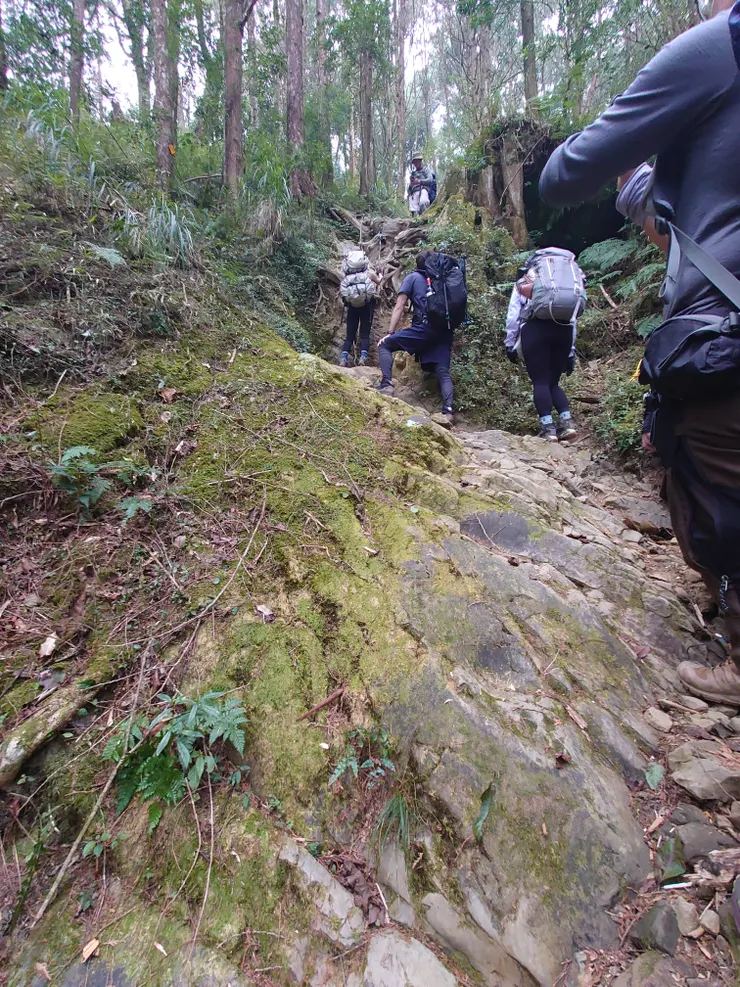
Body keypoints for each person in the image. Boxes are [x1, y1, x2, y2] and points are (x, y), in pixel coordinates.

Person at [539, 0, 740, 703]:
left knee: (707, 481)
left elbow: (562, 176)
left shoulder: (720, 46)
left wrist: (625, 149)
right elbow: (678, 222)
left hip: (724, 340)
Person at [504, 256, 578, 442]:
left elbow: (513, 313)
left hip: (535, 330)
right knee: (553, 382)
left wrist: (510, 342)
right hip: (564, 331)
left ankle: (548, 428)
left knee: (540, 382)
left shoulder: (527, 278)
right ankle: (567, 423)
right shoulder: (570, 281)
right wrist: (570, 351)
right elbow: (574, 317)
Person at [376, 250, 455, 423]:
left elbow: (400, 306)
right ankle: (448, 411)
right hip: (445, 331)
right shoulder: (442, 280)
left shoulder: (412, 278)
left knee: (385, 345)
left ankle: (386, 385)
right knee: (442, 370)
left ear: (417, 265)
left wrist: (390, 333)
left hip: (424, 328)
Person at [338, 252, 383, 367]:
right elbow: (379, 281)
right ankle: (363, 358)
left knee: (349, 335)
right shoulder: (369, 274)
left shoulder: (347, 277)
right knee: (365, 334)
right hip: (367, 306)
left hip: (352, 307)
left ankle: (343, 359)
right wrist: (380, 274)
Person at [407, 153, 434, 218]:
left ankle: (425, 220)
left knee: (423, 203)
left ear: (420, 161)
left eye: (417, 161)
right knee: (414, 211)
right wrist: (411, 185)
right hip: (413, 193)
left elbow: (430, 180)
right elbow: (410, 187)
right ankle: (415, 221)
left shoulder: (426, 170)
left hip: (423, 190)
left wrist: (419, 181)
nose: (416, 163)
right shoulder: (413, 173)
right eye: (415, 162)